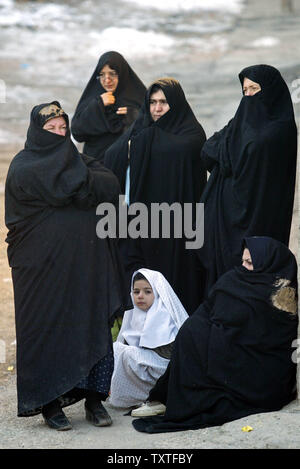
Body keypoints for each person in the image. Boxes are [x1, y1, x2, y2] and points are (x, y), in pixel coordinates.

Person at [5, 101, 130, 431]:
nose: (60, 135)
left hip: (84, 265)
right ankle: (50, 404)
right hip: (41, 270)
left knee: (89, 321)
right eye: (52, 129)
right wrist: (86, 185)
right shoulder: (24, 167)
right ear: (37, 131)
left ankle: (94, 399)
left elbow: (110, 184)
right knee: (47, 329)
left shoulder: (76, 162)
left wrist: (86, 184)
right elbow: (71, 187)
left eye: (64, 129)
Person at [131, 236, 298, 432]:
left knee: (195, 338)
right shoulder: (235, 279)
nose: (243, 267)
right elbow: (209, 308)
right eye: (242, 261)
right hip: (226, 347)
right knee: (191, 333)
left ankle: (188, 400)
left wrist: (212, 335)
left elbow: (264, 338)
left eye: (250, 263)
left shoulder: (280, 295)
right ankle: (175, 397)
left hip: (254, 369)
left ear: (268, 262)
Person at [104, 77, 207, 313]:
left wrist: (139, 145)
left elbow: (175, 150)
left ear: (176, 104)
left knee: (176, 286)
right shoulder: (143, 127)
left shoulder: (190, 134)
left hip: (179, 227)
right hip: (143, 224)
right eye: (152, 102)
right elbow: (113, 154)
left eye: (163, 102)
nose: (157, 109)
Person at [197, 64, 297, 296]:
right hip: (226, 218)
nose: (249, 96)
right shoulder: (243, 122)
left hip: (257, 219)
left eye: (254, 88)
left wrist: (226, 150)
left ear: (270, 91)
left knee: (252, 275)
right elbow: (207, 151)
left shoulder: (278, 131)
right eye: (245, 90)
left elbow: (237, 158)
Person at [108, 268, 188, 410]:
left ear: (157, 293)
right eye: (136, 292)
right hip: (146, 366)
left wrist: (142, 350)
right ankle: (130, 395)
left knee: (128, 354)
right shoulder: (134, 313)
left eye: (147, 292)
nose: (140, 296)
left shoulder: (164, 317)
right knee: (116, 348)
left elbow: (171, 355)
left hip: (165, 371)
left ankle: (152, 396)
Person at [71, 51, 146, 162]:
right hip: (95, 168)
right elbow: (77, 132)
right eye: (102, 74)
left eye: (112, 73)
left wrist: (133, 115)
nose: (107, 80)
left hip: (127, 168)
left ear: (121, 73)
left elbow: (155, 130)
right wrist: (98, 106)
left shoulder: (138, 98)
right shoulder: (93, 99)